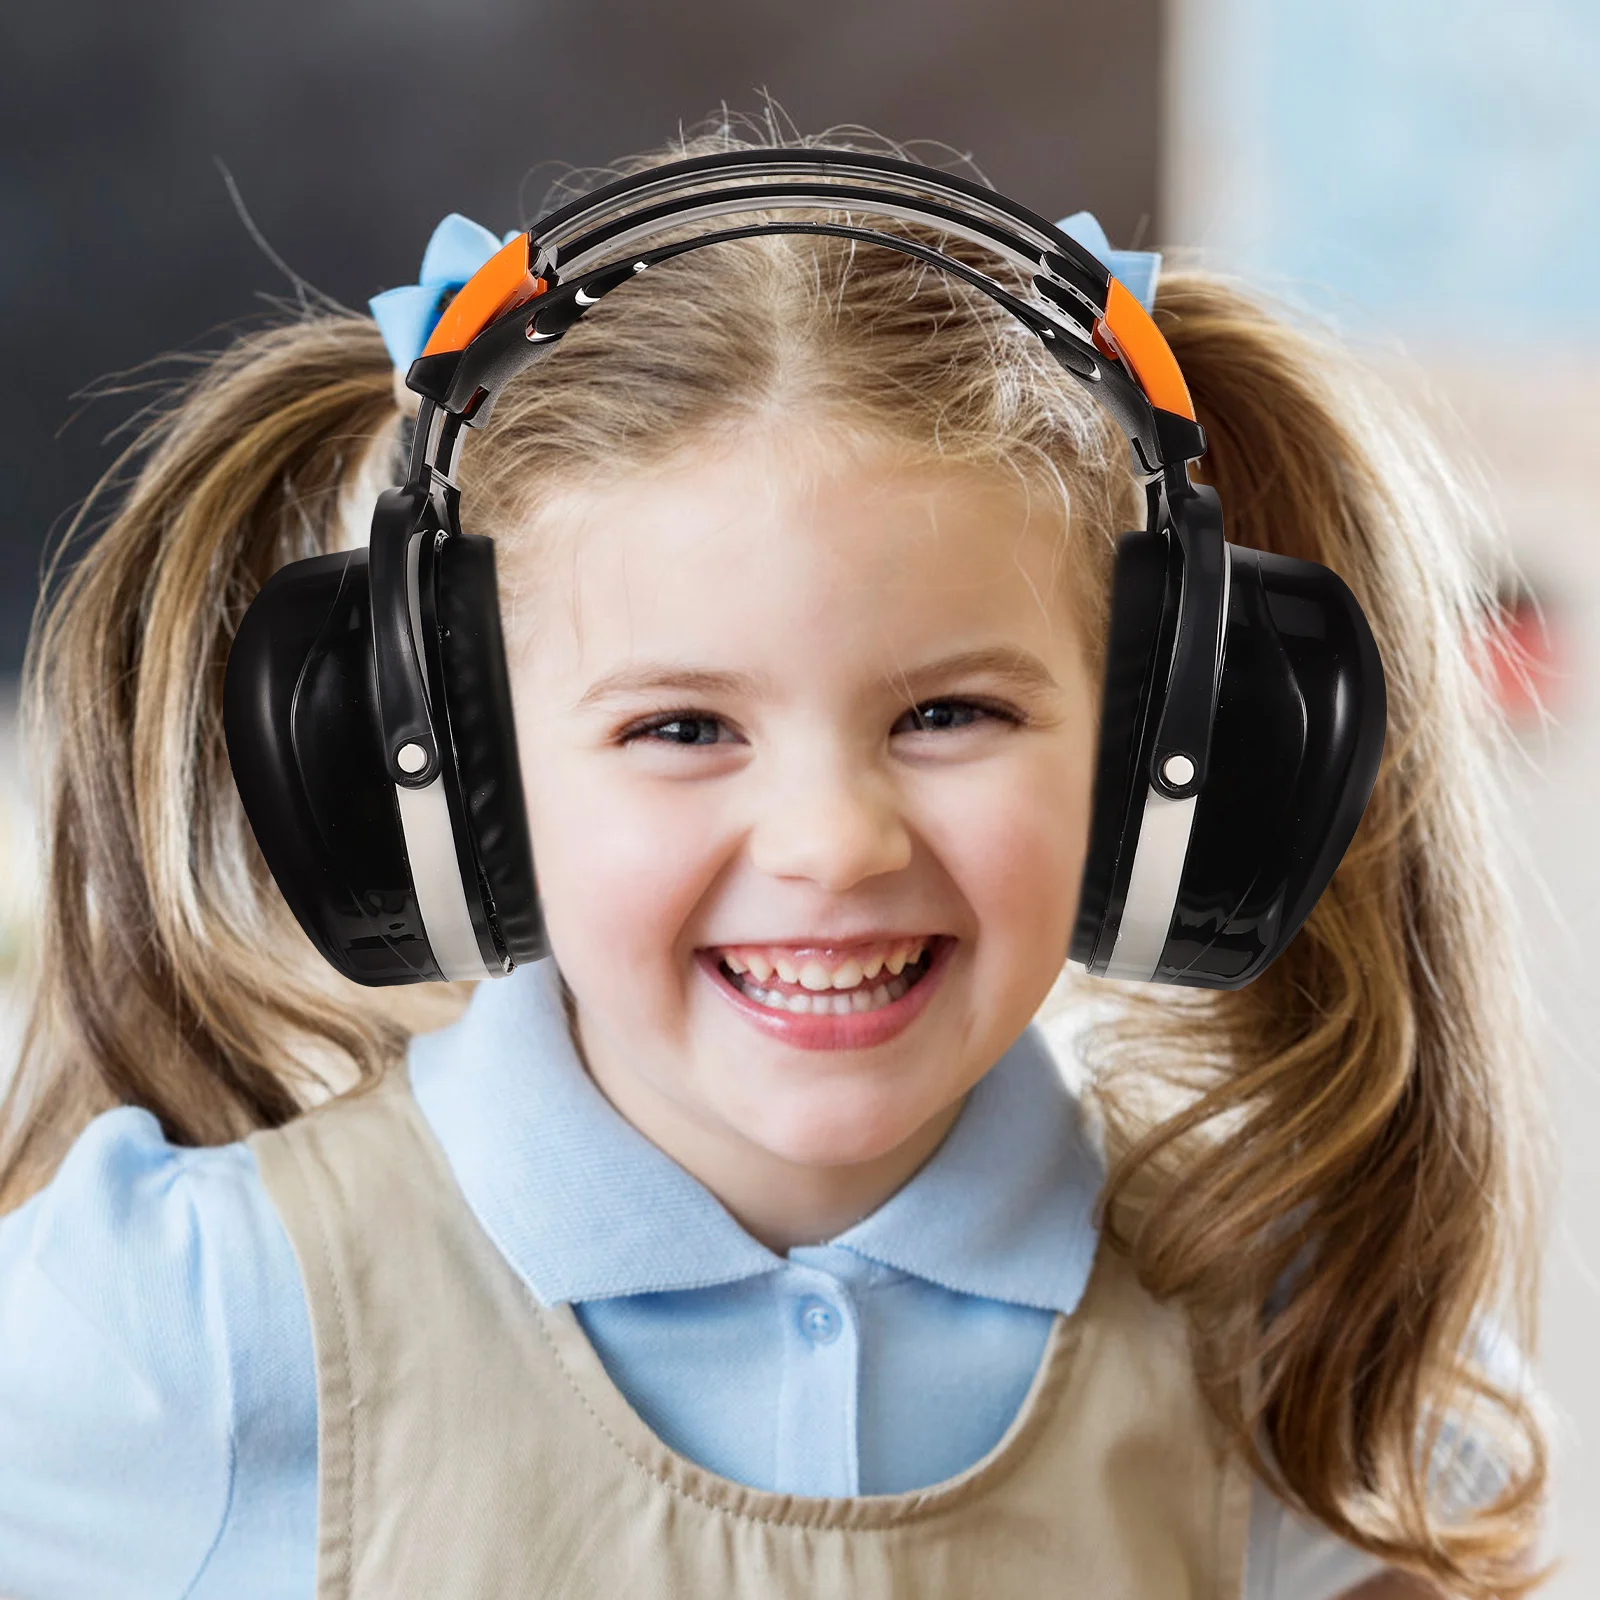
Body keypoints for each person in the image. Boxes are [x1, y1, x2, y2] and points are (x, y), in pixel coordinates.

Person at [0, 112, 1551, 1599]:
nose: (828, 845)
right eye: (681, 728)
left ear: (1166, 761)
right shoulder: (180, 1329)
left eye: (950, 712)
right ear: (455, 782)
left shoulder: (1289, 1343)